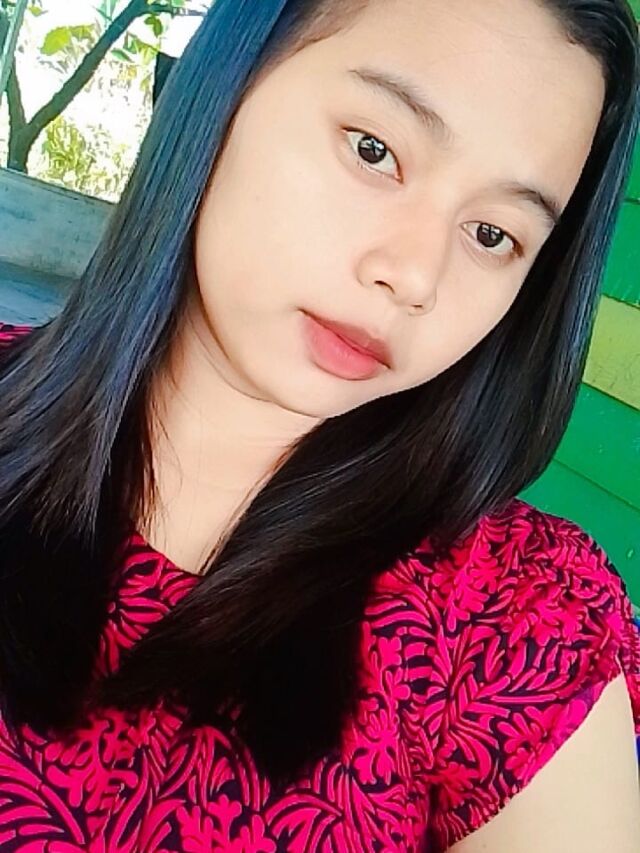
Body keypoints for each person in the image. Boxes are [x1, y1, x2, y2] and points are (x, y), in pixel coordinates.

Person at [0, 0, 638, 849]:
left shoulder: (515, 619)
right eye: (374, 150)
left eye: (492, 233)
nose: (414, 274)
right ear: (223, 90)